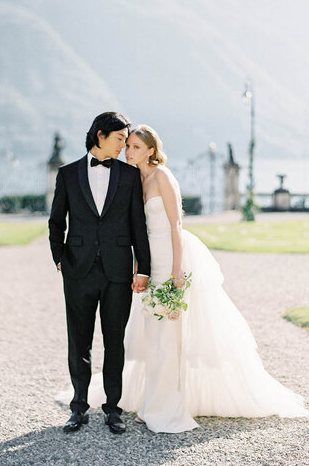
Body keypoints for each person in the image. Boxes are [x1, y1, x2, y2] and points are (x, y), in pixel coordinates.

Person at [62, 124, 308, 433]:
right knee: (153, 337)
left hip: (171, 257)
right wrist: (140, 267)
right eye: (128, 146)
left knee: (170, 338)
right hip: (150, 262)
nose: (129, 150)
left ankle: (167, 407)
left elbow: (176, 224)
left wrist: (177, 269)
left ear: (151, 150)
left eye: (136, 147)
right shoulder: (133, 178)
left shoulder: (163, 177)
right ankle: (152, 401)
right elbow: (135, 230)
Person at [49, 112, 151, 434]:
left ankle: (113, 409)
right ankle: (78, 407)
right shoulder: (67, 174)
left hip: (117, 272)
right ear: (100, 135)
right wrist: (60, 260)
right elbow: (56, 222)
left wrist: (143, 268)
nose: (125, 145)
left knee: (114, 342)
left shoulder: (129, 176)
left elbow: (139, 226)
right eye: (120, 138)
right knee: (78, 342)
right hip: (77, 271)